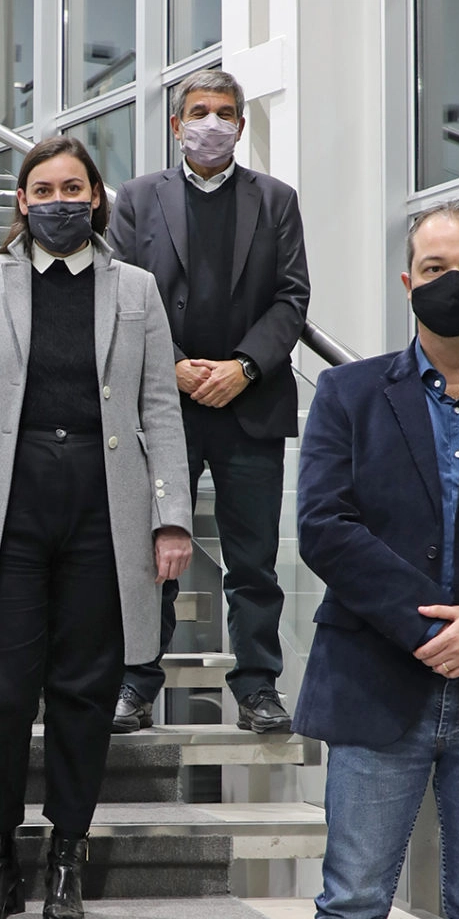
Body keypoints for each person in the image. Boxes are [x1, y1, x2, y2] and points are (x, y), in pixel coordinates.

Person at [0, 136, 193, 919]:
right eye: (44, 189)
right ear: (23, 201)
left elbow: (160, 408)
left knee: (84, 692)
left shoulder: (135, 288)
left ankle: (68, 854)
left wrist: (171, 516)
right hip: (3, 506)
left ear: (96, 198)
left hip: (105, 507)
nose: (60, 201)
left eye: (74, 188)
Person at [294, 201, 459, 919]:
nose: (452, 282)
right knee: (350, 907)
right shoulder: (348, 391)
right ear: (408, 282)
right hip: (377, 681)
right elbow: (324, 527)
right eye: (435, 269)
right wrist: (430, 625)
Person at [107, 69, 309, 735]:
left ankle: (258, 688)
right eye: (198, 111)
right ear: (176, 125)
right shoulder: (137, 199)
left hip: (250, 404)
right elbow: (119, 296)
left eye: (225, 112)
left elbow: (292, 298)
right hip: (163, 405)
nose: (212, 123)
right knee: (152, 552)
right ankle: (135, 681)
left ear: (241, 125)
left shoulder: (275, 200)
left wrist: (244, 366)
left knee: (253, 561)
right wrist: (169, 367)